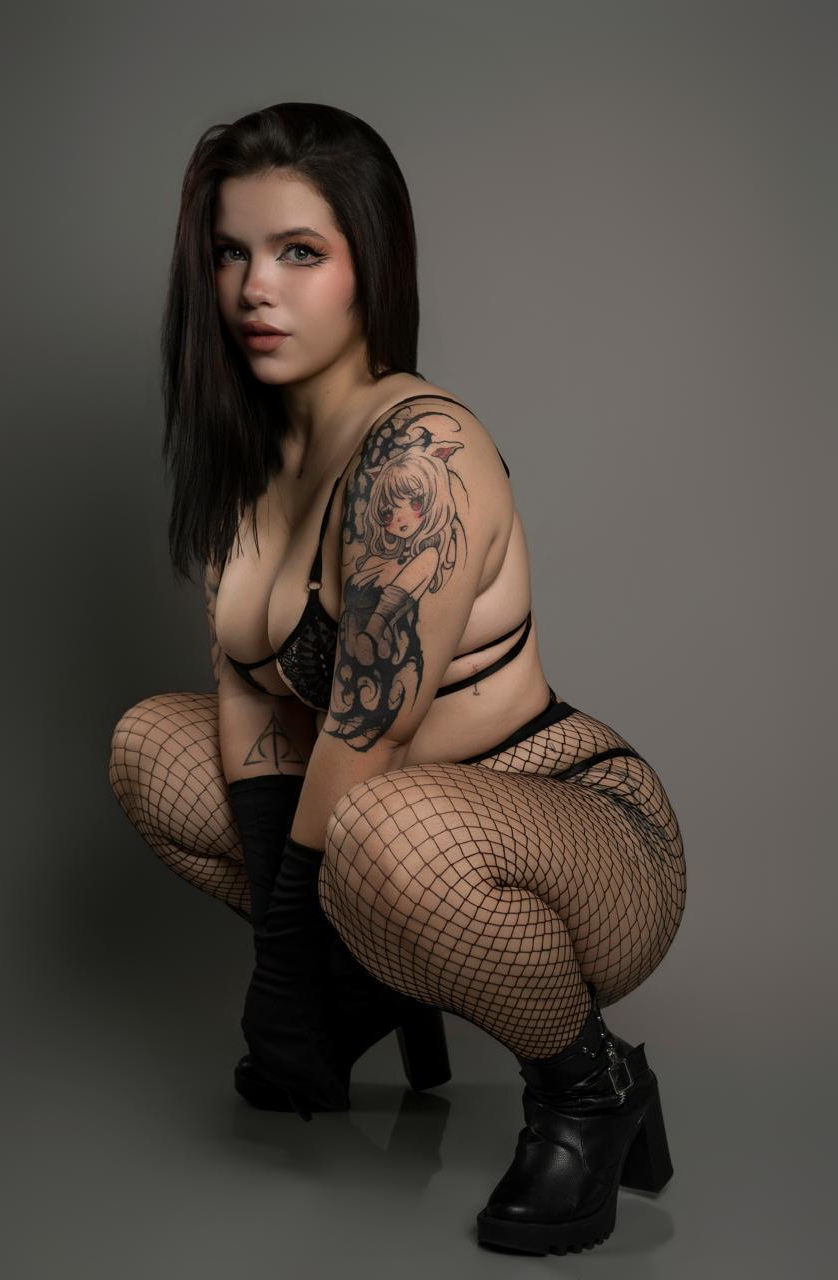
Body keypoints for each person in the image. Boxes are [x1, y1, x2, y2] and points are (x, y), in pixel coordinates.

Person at [108, 102, 686, 1256]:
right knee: (148, 745)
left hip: (579, 834)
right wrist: (291, 971)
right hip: (389, 830)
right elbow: (252, 695)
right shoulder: (251, 455)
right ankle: (374, 978)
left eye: (298, 251)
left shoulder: (422, 453)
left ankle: (591, 1085)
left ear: (371, 265)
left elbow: (361, 737)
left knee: (380, 828)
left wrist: (285, 967)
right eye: (230, 252)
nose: (254, 288)